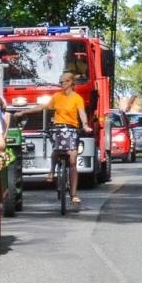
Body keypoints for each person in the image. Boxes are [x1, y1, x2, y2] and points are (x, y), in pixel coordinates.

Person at [35, 71, 93, 205]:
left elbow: (82, 113)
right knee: (57, 149)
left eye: (63, 81)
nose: (61, 84)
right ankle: (51, 171)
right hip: (58, 127)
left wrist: (84, 125)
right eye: (60, 82)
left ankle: (73, 195)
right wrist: (23, 112)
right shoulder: (56, 96)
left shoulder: (77, 98)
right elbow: (43, 107)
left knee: (73, 158)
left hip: (71, 128)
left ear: (71, 83)